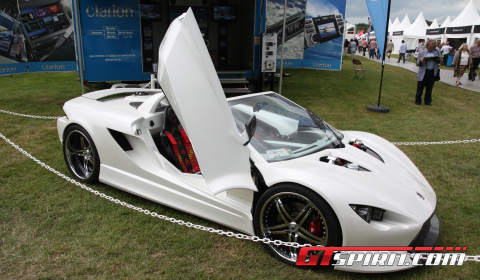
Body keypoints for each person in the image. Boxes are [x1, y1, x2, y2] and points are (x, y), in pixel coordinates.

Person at [415, 40, 442, 106]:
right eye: (430, 46)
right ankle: (418, 101)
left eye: (433, 47)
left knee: (429, 88)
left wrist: (439, 59)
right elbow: (417, 63)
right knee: (420, 87)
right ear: (427, 45)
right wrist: (421, 60)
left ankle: (427, 101)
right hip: (424, 71)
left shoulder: (436, 52)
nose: (431, 48)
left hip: (432, 72)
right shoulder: (422, 52)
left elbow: (441, 60)